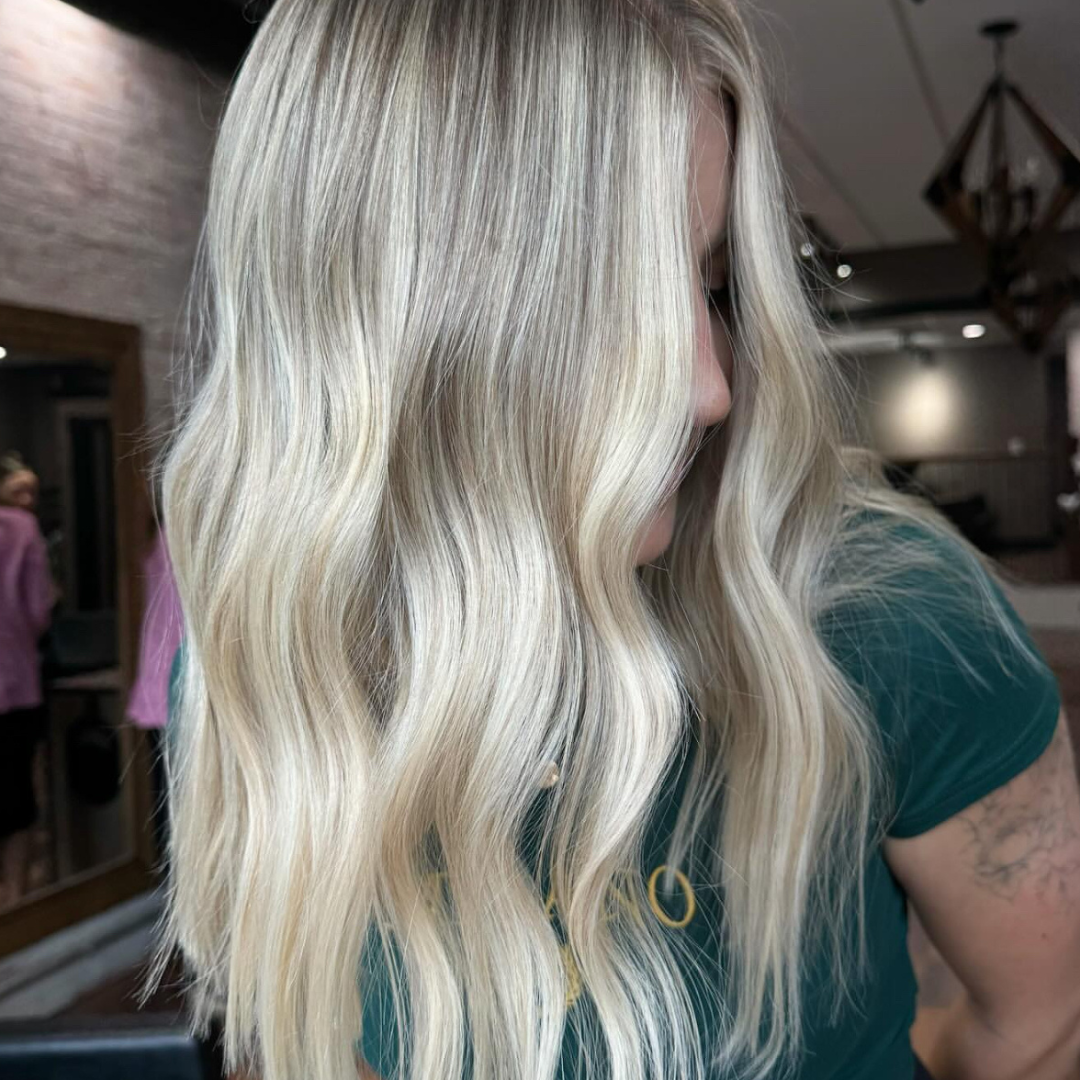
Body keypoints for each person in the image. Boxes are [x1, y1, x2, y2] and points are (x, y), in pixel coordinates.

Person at [146, 3, 1080, 1080]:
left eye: (714, 282)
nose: (710, 385)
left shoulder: (886, 608)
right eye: (607, 298)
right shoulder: (257, 667)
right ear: (374, 325)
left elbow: (1045, 1018)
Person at [0, 451, 57, 909]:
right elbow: (38, 609)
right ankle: (16, 899)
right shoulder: (20, 530)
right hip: (13, 684)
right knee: (17, 798)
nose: (28, 501)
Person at [124, 518, 183, 865]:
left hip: (154, 689)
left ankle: (171, 879)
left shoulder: (159, 536)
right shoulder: (195, 529)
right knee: (189, 801)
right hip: (184, 691)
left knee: (166, 796)